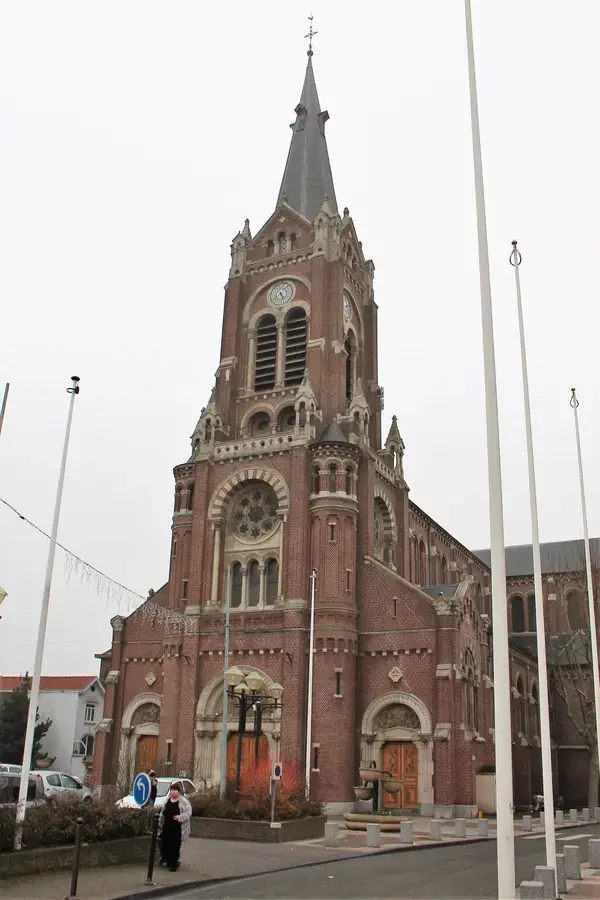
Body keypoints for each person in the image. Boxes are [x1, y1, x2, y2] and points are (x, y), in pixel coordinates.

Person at [158, 782, 192, 871]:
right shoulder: (167, 800)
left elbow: (188, 813)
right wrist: (160, 822)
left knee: (175, 846)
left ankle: (174, 864)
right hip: (167, 827)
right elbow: (162, 812)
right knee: (165, 844)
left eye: (175, 790)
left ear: (179, 791)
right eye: (171, 790)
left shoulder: (183, 802)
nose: (172, 792)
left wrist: (179, 817)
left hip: (177, 828)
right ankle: (167, 860)